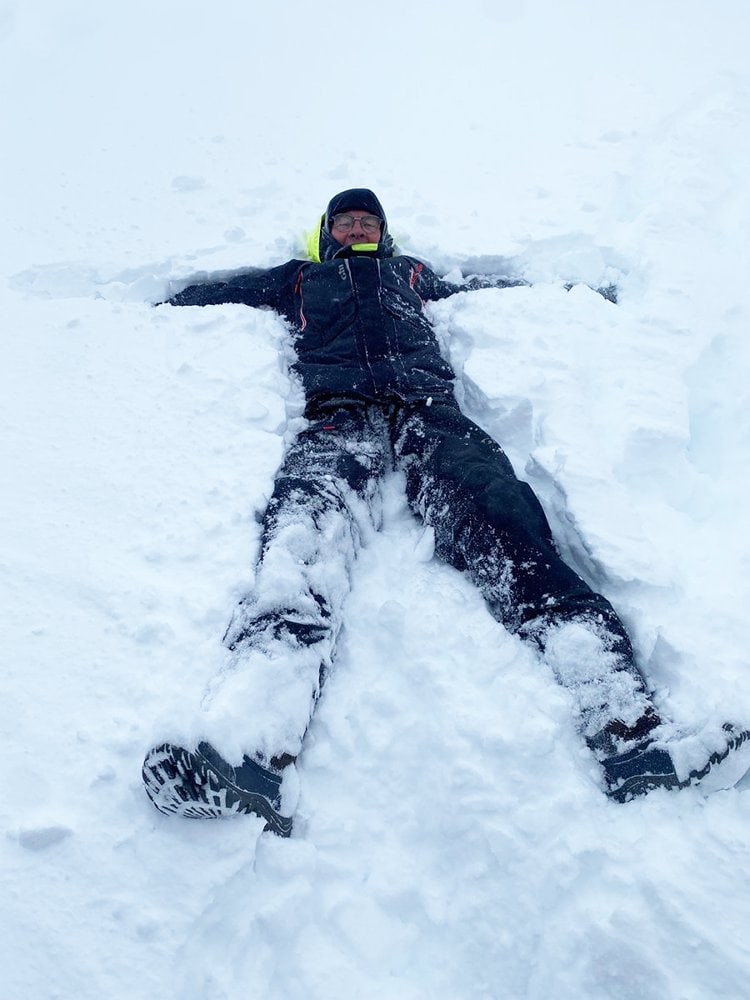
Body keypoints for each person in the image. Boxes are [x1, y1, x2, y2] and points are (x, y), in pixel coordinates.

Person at [143, 188, 750, 836]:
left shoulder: (411, 274)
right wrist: (151, 304)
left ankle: (633, 734)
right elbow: (218, 290)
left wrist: (573, 289)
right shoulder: (299, 279)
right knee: (301, 543)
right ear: (326, 232)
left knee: (507, 527)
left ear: (385, 231)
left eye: (368, 220)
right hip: (339, 417)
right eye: (345, 221)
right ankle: (252, 749)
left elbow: (483, 282)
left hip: (430, 414)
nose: (356, 227)